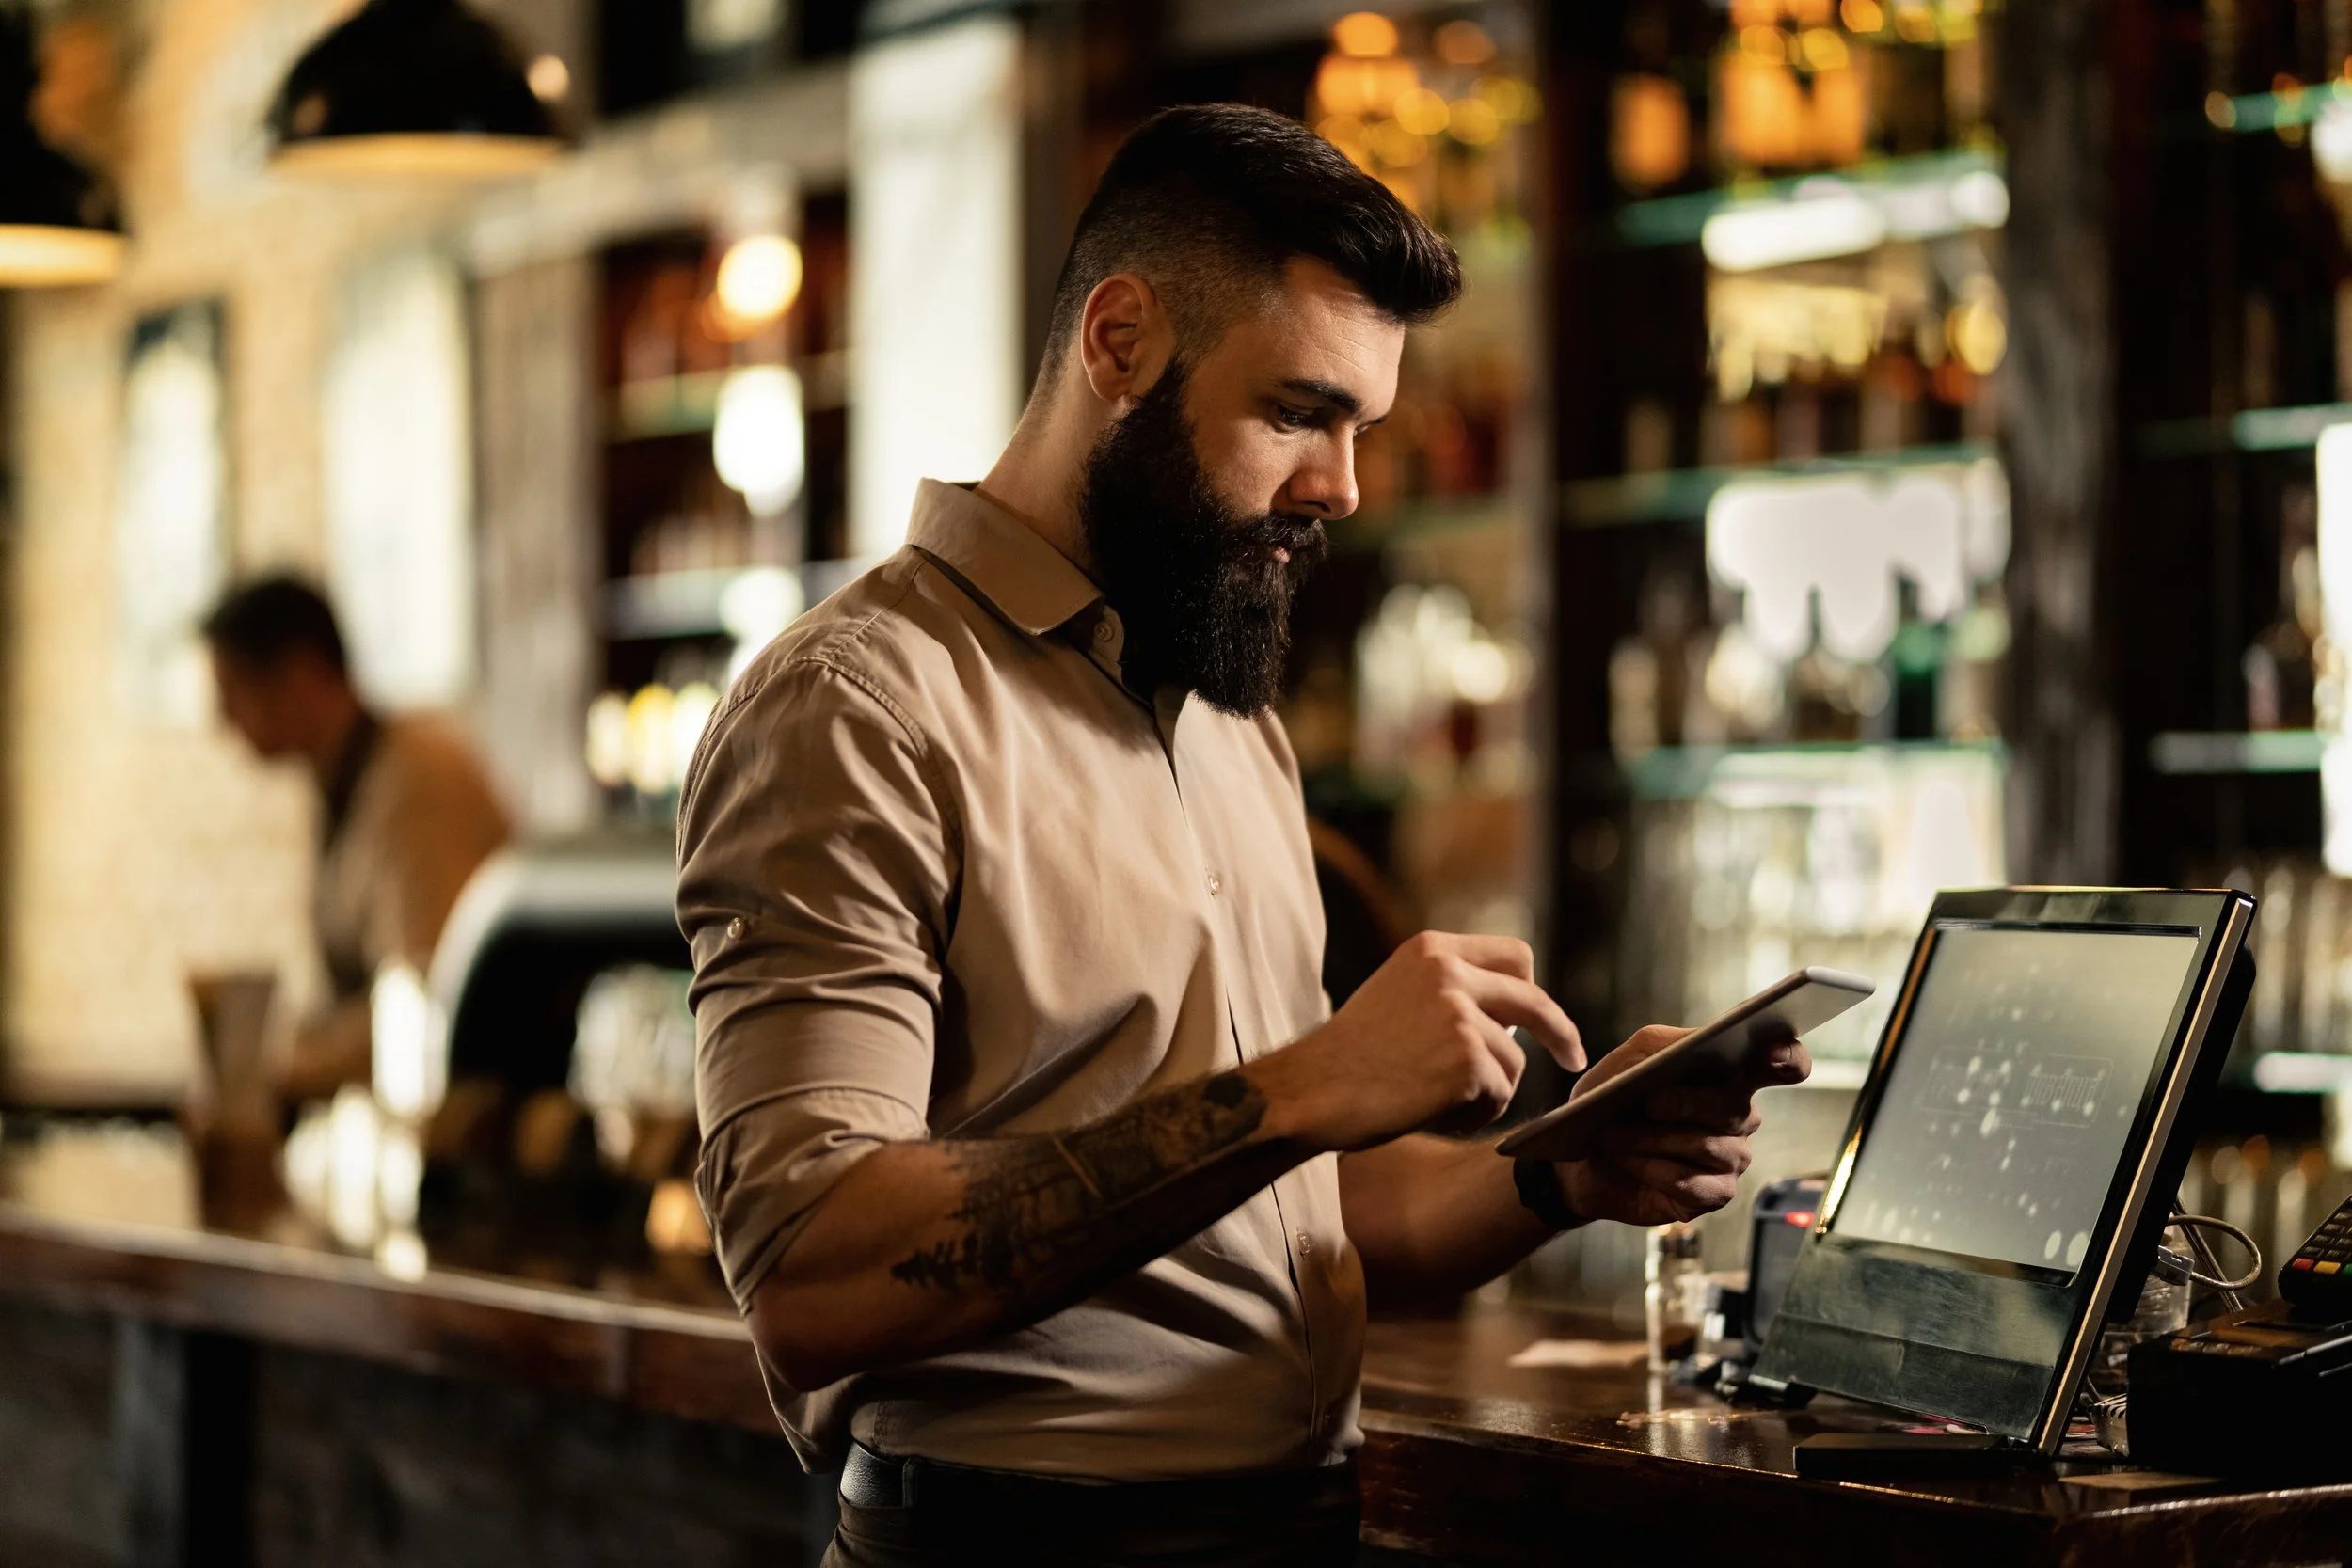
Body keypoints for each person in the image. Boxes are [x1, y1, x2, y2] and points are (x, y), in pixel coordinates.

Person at [677, 104, 1809, 1566]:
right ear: (1121, 344)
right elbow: (811, 1266)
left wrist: (1552, 1169)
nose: (1342, 483)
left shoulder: (1227, 713)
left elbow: (1295, 1209)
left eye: (1362, 426)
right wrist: (1300, 1085)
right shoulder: (853, 707)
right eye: (1298, 411)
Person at [203, 576, 510, 1101]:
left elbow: (425, 998)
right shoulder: (344, 777)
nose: (221, 719)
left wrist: (278, 1067)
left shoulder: (415, 784)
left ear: (299, 675)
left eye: (233, 691)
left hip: (468, 1119)